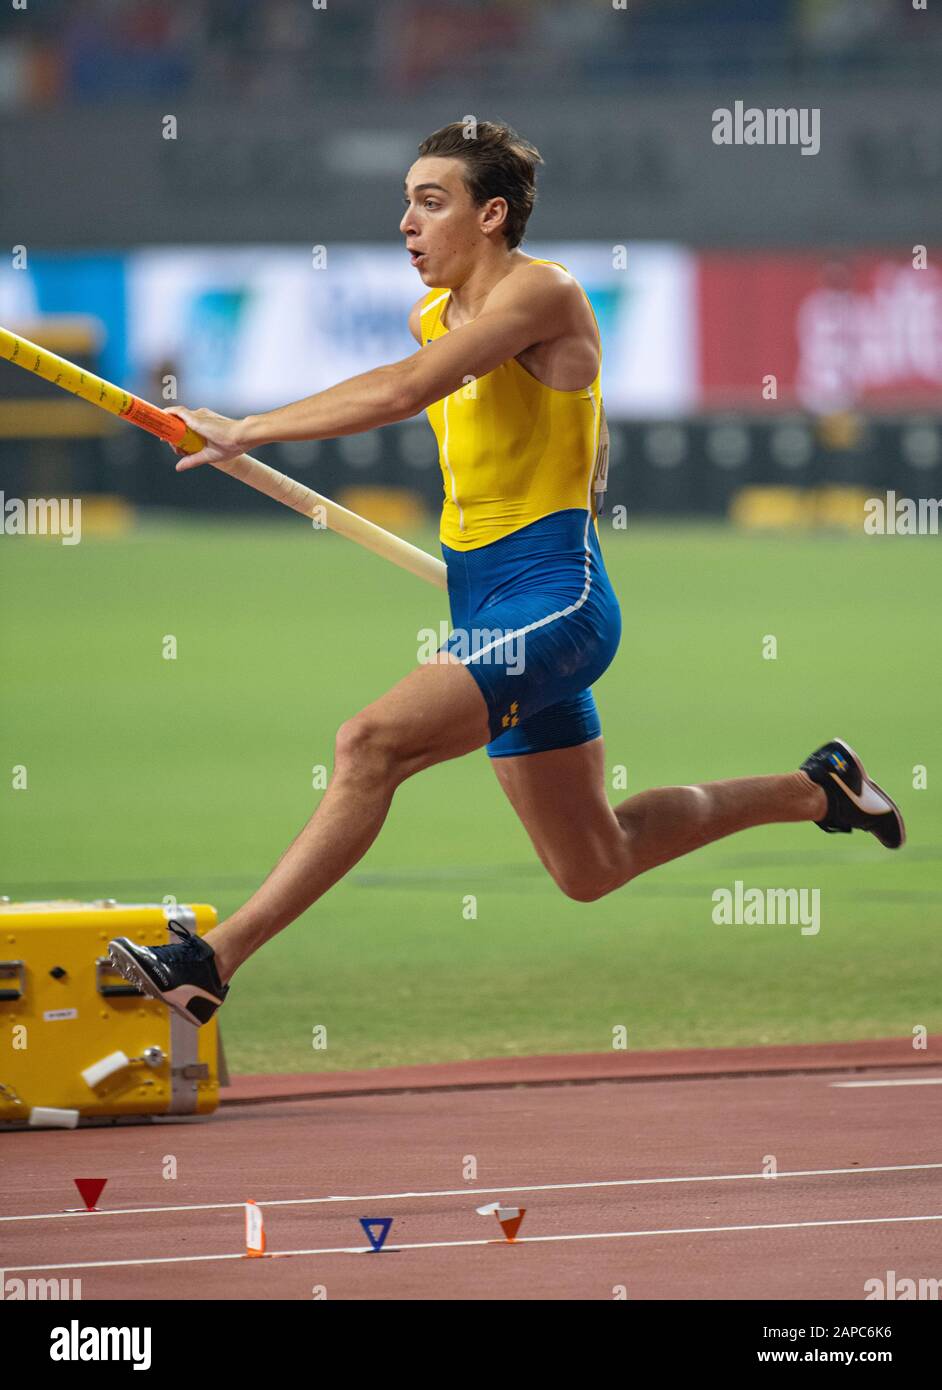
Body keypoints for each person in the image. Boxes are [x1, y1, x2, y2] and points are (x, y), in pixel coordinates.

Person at [108, 121, 904, 1027]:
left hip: (556, 602)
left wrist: (246, 428)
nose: (406, 221)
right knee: (594, 864)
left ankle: (213, 960)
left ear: (492, 215)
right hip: (484, 601)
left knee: (369, 745)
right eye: (404, 200)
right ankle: (819, 789)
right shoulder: (431, 314)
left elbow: (407, 390)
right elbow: (556, 423)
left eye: (430, 201)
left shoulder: (544, 293)